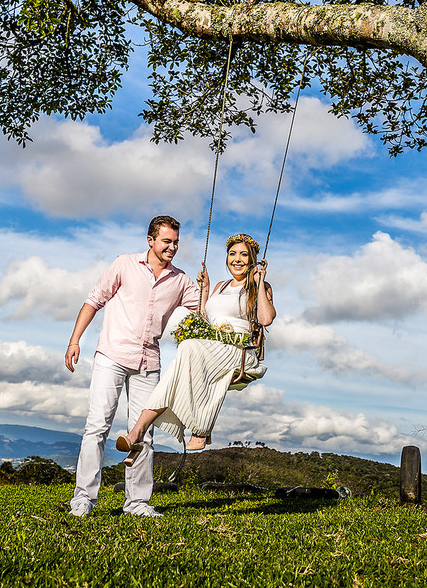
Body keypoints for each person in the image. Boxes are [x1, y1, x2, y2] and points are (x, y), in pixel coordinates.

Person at [65, 215, 201, 518]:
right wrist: (75, 341)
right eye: (167, 241)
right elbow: (93, 300)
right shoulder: (124, 264)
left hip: (149, 363)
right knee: (97, 426)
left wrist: (205, 290)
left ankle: (137, 504)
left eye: (176, 242)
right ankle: (83, 500)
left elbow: (205, 310)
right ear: (150, 240)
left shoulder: (180, 280)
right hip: (112, 355)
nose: (172, 247)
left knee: (144, 435)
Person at [116, 233, 275, 464]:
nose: (237, 259)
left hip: (239, 352)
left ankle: (201, 428)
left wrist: (260, 283)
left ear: (252, 259)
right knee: (175, 373)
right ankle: (137, 433)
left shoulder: (258, 286)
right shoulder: (221, 286)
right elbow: (204, 320)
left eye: (243, 254)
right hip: (211, 348)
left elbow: (266, 318)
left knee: (189, 349)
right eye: (232, 254)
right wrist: (205, 290)